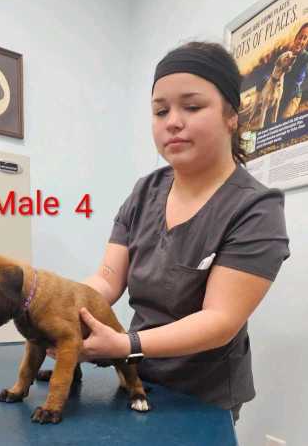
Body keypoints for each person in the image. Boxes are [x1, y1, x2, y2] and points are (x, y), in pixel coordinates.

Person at [74, 41, 290, 425]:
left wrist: (124, 344)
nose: (172, 121)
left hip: (202, 398)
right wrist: (65, 307)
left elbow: (219, 321)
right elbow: (107, 279)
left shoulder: (256, 209)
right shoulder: (145, 192)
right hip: (138, 378)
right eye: (161, 111)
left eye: (191, 107)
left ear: (231, 115)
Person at [278, 22, 308, 119]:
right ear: (296, 38)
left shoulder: (305, 57)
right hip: (281, 93)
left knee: (284, 121)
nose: (301, 41)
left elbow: (297, 79)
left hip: (293, 95)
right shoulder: (286, 53)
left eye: (305, 39)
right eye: (300, 37)